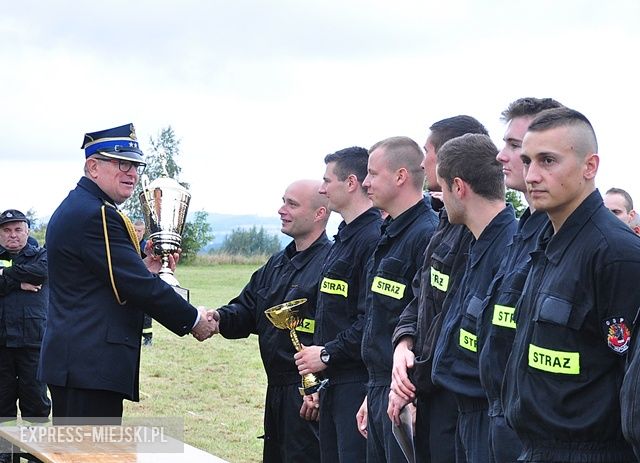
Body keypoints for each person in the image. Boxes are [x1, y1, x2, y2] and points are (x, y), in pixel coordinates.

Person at [38, 123, 217, 424]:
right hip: (88, 367)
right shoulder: (97, 214)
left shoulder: (85, 207)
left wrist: (146, 268)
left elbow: (108, 280)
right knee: (89, 456)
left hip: (81, 364)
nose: (132, 173)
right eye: (122, 163)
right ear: (93, 166)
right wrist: (194, 320)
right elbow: (137, 287)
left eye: (136, 165)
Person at [502, 108, 640, 462]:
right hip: (535, 447)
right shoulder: (546, 243)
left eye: (548, 161)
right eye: (528, 160)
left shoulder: (616, 254)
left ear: (589, 166)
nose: (532, 175)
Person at [389, 115, 489, 462]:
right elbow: (420, 295)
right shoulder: (445, 226)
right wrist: (403, 343)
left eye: (427, 151)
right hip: (423, 388)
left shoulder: (478, 234)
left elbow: (454, 320)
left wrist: (415, 385)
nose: (421, 162)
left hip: (450, 396)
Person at [212, 179, 331, 463]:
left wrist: (317, 388)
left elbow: (338, 330)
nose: (281, 210)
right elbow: (247, 309)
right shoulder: (277, 264)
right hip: (275, 391)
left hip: (308, 396)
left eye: (292, 204)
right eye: (283, 201)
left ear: (319, 214)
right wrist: (215, 319)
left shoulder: (331, 265)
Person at [474, 97, 563, 463]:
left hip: (541, 431)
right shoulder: (523, 229)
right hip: (500, 415)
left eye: (515, 146)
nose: (501, 156)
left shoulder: (560, 235)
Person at [425, 133, 517, 462]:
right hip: (466, 412)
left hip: (492, 421)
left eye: (441, 188)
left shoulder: (509, 251)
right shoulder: (478, 243)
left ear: (459, 188)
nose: (441, 198)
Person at [294, 147, 382, 463]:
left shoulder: (373, 238)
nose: (321, 189)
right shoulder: (344, 237)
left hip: (358, 383)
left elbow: (371, 319)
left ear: (351, 183)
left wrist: (327, 354)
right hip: (334, 381)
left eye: (327, 180)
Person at [356, 136, 439, 463]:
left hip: (404, 394)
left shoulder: (426, 235)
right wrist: (372, 392)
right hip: (380, 388)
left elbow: (425, 318)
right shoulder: (390, 234)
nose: (365, 183)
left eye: (373, 174)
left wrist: (410, 396)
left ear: (401, 176)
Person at [0, 209, 51, 463]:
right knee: (2, 401)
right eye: (6, 230)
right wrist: (19, 282)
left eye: (18, 229)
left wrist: (3, 277)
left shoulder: (41, 255)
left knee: (35, 400)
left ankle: (36, 453)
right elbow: (28, 276)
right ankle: (5, 453)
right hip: (1, 343)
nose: (12, 235)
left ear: (27, 231)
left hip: (33, 340)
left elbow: (39, 273)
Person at [134, 220, 153, 347]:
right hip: (133, 283)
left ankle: (148, 339)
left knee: (147, 313)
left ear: (144, 231)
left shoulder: (147, 247)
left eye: (139, 231)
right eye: (134, 230)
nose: (137, 233)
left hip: (146, 282)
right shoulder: (129, 244)